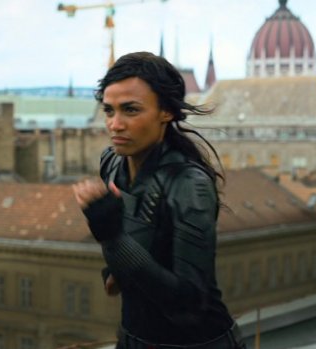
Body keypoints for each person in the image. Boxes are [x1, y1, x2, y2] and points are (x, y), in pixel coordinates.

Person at [72, 52, 244, 349]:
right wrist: (116, 267)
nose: (115, 124)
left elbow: (188, 303)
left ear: (166, 111)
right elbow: (126, 270)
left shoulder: (190, 185)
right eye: (109, 111)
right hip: (132, 339)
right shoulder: (111, 164)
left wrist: (112, 238)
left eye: (131, 110)